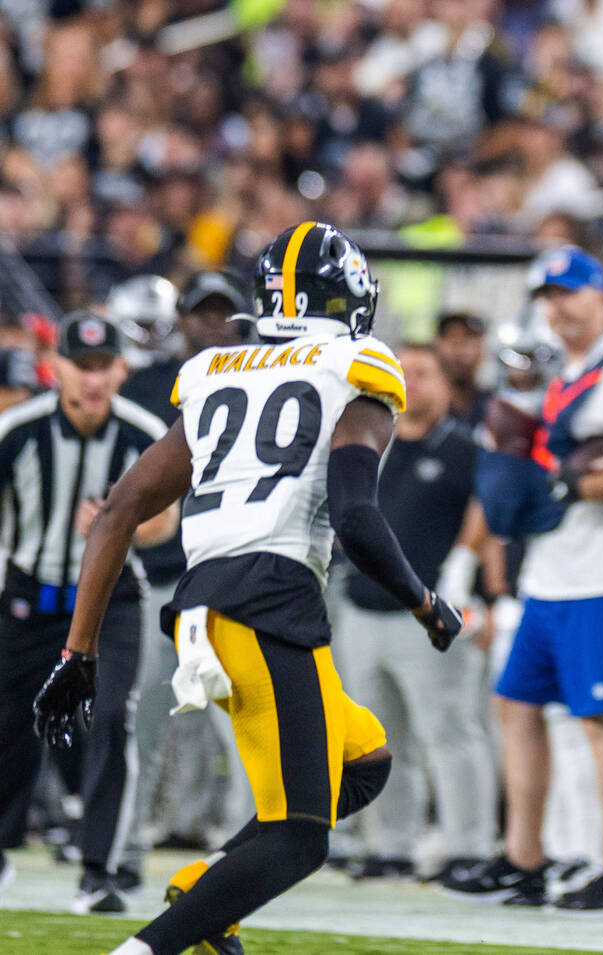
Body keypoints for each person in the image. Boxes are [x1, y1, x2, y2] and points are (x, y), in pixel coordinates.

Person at [32, 222, 463, 955]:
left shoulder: (217, 368)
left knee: (363, 758)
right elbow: (357, 514)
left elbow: (117, 514)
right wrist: (426, 602)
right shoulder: (357, 365)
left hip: (204, 601)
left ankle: (206, 888)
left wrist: (78, 653)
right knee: (299, 839)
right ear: (353, 300)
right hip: (269, 600)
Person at [450, 246, 603, 913]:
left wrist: (570, 483)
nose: (556, 306)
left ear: (599, 293)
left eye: (567, 292)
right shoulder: (562, 372)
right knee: (516, 704)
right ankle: (525, 858)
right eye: (546, 295)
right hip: (554, 570)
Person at [0, 312, 175, 913]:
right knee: (8, 726)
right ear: (58, 368)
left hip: (112, 602)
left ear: (122, 370)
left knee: (111, 721)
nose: (94, 380)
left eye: (105, 366)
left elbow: (165, 521)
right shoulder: (17, 431)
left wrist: (119, 526)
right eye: (82, 365)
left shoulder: (143, 432)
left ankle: (98, 870)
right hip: (27, 598)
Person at [335, 342, 495, 880]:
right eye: (403, 371)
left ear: (448, 386)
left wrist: (477, 588)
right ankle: (392, 845)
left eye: (424, 373)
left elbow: (488, 514)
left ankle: (470, 846)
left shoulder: (465, 448)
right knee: (379, 740)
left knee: (450, 732)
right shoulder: (366, 445)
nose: (411, 381)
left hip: (431, 616)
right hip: (361, 609)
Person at [119, 269, 254, 871]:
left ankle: (243, 848)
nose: (213, 324)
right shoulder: (147, 384)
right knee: (143, 713)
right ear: (183, 318)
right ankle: (122, 837)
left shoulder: (269, 382)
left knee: (239, 720)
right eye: (202, 311)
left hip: (231, 572)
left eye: (225, 312)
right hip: (159, 574)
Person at [435, 310, 490, 428]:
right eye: (451, 338)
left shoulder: (493, 407)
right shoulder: (424, 407)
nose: (459, 349)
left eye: (468, 338)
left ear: (482, 349)